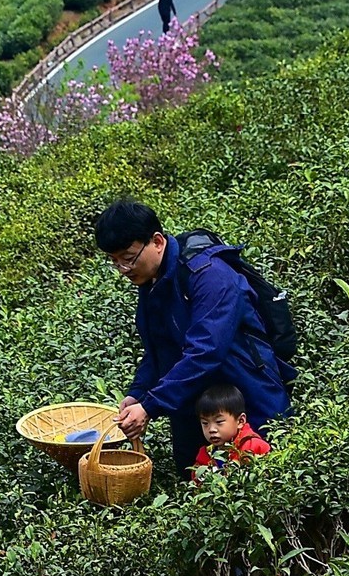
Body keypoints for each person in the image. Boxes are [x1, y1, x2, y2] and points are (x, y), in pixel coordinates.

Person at [94, 199, 294, 475]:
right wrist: (137, 394)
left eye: (128, 258)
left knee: (261, 481)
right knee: (192, 483)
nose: (124, 270)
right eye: (115, 262)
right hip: (196, 407)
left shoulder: (210, 275)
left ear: (157, 241)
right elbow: (159, 351)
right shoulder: (152, 281)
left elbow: (205, 351)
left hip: (246, 396)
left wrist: (150, 406)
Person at [191, 384, 271, 480]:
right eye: (205, 423)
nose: (211, 429)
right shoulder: (205, 455)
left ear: (240, 421)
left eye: (219, 422)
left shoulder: (255, 446)